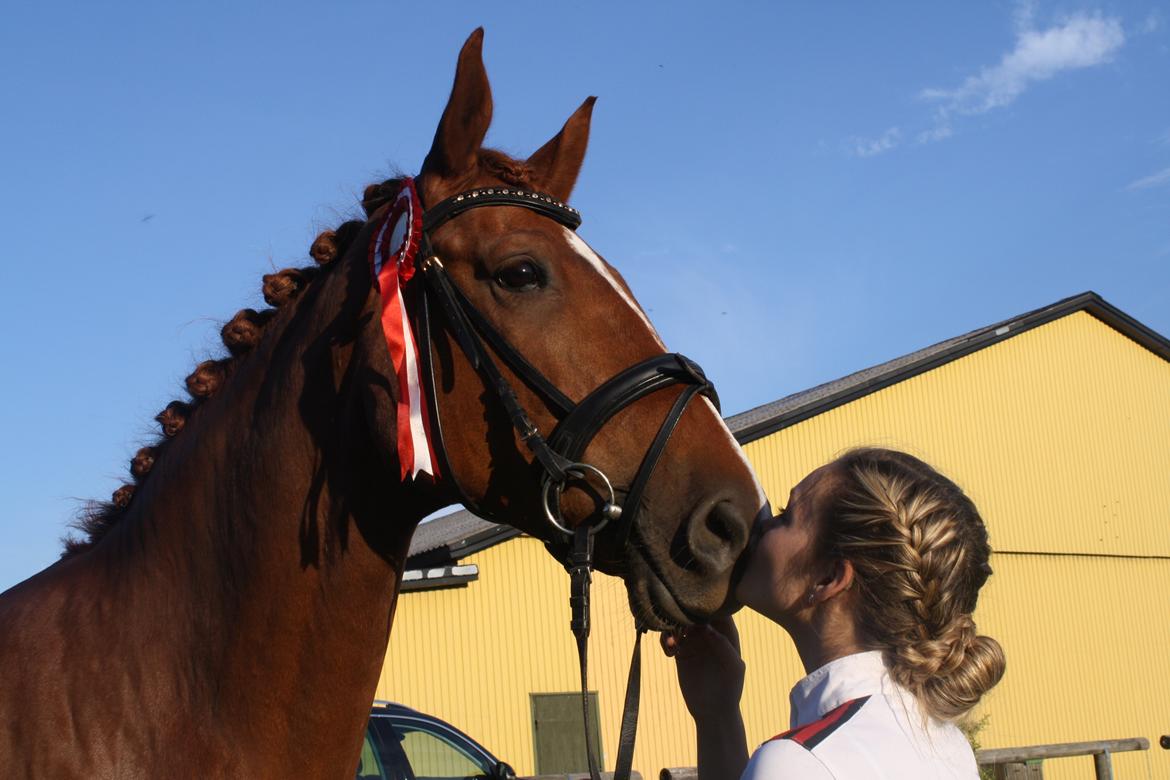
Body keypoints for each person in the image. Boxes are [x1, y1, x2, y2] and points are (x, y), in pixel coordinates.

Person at [663, 447, 1006, 779]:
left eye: (787, 515)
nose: (761, 524)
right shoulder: (945, 745)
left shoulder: (800, 762)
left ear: (829, 578)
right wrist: (717, 715)